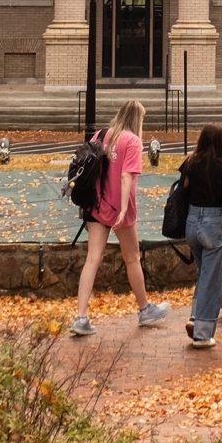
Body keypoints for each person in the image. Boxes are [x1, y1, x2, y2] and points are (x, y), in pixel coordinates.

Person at [68, 101, 170, 337]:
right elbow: (126, 177)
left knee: (92, 259)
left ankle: (81, 317)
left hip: (95, 205)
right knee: (132, 258)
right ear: (138, 119)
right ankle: (145, 309)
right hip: (117, 208)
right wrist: (123, 210)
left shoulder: (101, 135)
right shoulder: (132, 141)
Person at [177, 123, 222, 348]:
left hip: (192, 222)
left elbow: (183, 189)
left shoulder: (191, 163)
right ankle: (202, 331)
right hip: (213, 223)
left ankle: (195, 315)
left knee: (204, 273)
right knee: (213, 279)